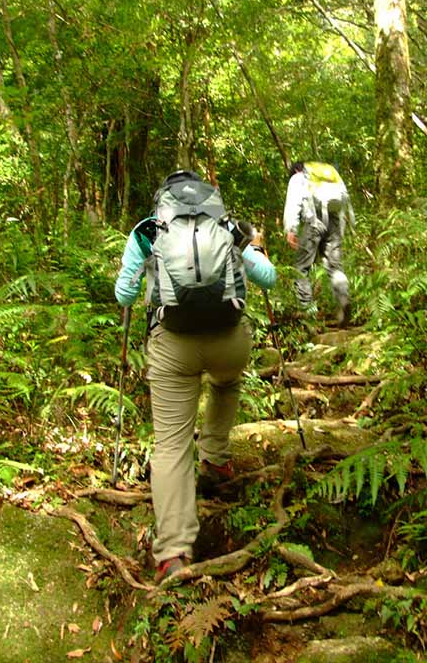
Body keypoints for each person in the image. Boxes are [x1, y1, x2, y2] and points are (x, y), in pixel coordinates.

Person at [114, 170, 276, 583]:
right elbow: (269, 278)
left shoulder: (149, 231)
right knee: (226, 381)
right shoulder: (228, 227)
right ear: (209, 199)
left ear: (162, 200)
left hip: (174, 346)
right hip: (229, 343)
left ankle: (172, 553)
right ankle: (216, 460)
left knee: (170, 445)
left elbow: (124, 295)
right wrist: (254, 249)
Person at [283, 161, 354, 325]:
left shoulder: (298, 178)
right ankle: (343, 300)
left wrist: (291, 229)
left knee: (301, 268)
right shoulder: (328, 176)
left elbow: (293, 203)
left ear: (295, 170)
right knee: (335, 267)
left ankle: (306, 313)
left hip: (314, 221)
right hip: (334, 222)